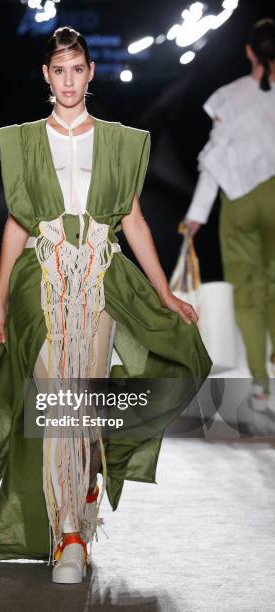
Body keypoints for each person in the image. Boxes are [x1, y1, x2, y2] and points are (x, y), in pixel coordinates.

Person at [0, 26, 212, 584]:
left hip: (99, 281)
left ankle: (91, 471)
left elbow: (133, 220)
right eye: (59, 70)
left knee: (87, 401)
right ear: (46, 76)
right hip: (42, 282)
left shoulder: (118, 141)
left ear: (90, 74)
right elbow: (17, 222)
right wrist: (0, 295)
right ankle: (69, 531)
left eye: (78, 69)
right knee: (57, 404)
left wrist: (165, 291)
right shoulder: (25, 141)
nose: (69, 80)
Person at [183, 18, 275, 411]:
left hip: (239, 203)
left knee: (249, 297)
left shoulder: (229, 97)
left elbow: (215, 160)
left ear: (250, 51)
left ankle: (260, 386)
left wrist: (196, 215)